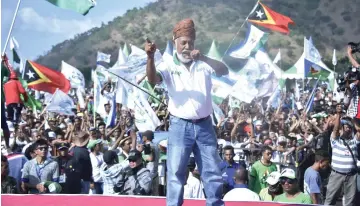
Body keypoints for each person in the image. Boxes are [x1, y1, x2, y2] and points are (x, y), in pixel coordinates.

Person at [145, 18, 228, 206]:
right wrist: (150, 58)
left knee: (212, 171)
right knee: (175, 172)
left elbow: (224, 70)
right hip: (180, 126)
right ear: (175, 42)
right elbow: (152, 80)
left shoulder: (203, 63)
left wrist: (203, 57)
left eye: (190, 42)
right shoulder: (168, 65)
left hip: (205, 126)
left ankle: (214, 203)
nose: (187, 46)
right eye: (183, 42)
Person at [324, 109, 360, 206]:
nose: (348, 129)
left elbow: (359, 132)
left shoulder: (354, 142)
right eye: (345, 127)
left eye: (350, 127)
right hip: (336, 175)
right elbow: (335, 129)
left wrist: (354, 121)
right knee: (330, 200)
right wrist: (339, 114)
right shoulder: (335, 141)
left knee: (350, 202)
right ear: (341, 129)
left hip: (351, 176)